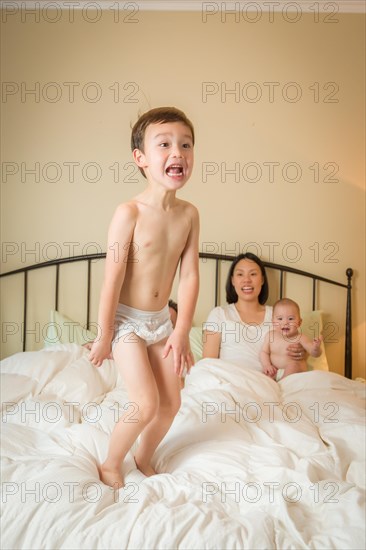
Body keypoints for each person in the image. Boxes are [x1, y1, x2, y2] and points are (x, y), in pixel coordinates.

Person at [89, 107, 200, 488]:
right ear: (141, 158)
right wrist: (105, 334)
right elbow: (111, 279)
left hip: (161, 323)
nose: (178, 153)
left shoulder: (189, 215)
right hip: (126, 324)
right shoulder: (129, 212)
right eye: (165, 144)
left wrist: (180, 330)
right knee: (146, 402)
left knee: (172, 404)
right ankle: (110, 462)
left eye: (185, 145)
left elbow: (189, 276)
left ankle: (144, 456)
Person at [203, 253, 306, 371]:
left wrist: (301, 352)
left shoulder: (279, 316)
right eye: (240, 274)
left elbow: (296, 345)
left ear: (262, 279)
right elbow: (208, 364)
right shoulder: (219, 314)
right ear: (232, 280)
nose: (246, 280)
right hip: (230, 380)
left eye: (253, 274)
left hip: (268, 382)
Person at [260, 298, 322, 380]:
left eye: (290, 319)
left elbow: (314, 353)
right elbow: (264, 352)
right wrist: (267, 365)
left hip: (295, 372)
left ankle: (284, 382)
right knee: (265, 376)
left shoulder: (300, 338)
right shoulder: (270, 336)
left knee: (294, 366)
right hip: (276, 371)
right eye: (280, 319)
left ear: (299, 322)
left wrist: (316, 348)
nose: (285, 323)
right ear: (273, 321)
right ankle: (274, 385)